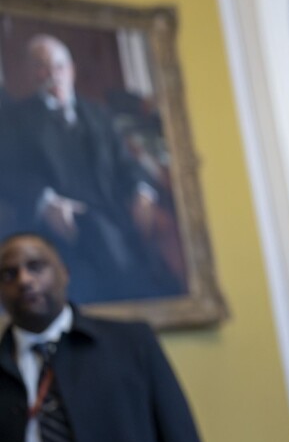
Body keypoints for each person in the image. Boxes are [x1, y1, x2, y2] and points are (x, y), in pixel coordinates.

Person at [0, 232, 221, 442]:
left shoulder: (130, 344)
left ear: (64, 273)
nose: (24, 280)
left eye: (36, 266)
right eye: (9, 273)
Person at [0, 35, 182, 304]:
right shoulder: (16, 121)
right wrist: (46, 201)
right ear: (30, 73)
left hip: (115, 212)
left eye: (59, 66)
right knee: (103, 238)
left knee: (152, 253)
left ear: (71, 70)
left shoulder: (97, 114)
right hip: (63, 220)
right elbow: (8, 174)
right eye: (42, 67)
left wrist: (142, 192)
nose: (52, 74)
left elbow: (126, 163)